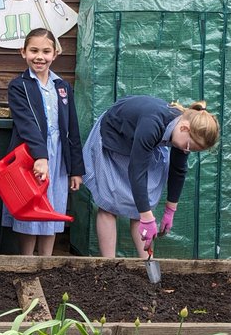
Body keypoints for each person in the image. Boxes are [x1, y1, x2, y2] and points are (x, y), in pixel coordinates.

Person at [82, 96, 220, 258]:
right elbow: (137, 170)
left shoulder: (183, 133)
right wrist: (147, 218)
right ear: (184, 128)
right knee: (109, 205)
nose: (187, 150)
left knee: (141, 206)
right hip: (114, 137)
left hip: (141, 144)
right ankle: (109, 264)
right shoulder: (153, 123)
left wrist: (170, 209)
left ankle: (148, 261)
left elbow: (178, 169)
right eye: (188, 146)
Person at [4, 27, 86, 256]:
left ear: (55, 54)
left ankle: (46, 260)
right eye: (34, 50)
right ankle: (27, 259)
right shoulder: (19, 86)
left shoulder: (63, 87)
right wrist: (40, 156)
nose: (40, 56)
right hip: (32, 154)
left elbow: (72, 128)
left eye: (46, 51)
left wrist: (76, 169)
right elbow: (26, 124)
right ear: (23, 52)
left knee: (53, 204)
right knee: (31, 204)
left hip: (59, 155)